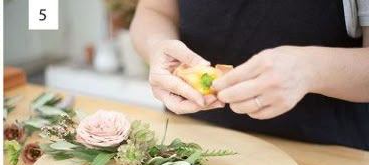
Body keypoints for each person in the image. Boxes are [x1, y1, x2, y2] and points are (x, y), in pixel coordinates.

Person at [130, 0, 369, 149]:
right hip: (188, 145)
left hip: (328, 157)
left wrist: (311, 69)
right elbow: (153, 10)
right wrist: (157, 46)